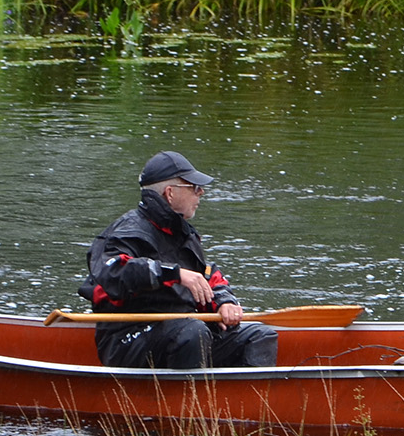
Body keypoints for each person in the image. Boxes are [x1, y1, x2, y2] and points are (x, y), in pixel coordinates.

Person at [77, 150, 279, 369]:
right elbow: (112, 273)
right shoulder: (125, 232)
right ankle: (186, 402)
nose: (201, 192)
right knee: (193, 332)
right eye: (193, 187)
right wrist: (175, 274)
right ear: (170, 193)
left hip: (184, 332)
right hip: (128, 339)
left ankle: (246, 400)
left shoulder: (184, 234)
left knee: (260, 335)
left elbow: (206, 276)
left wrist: (224, 302)